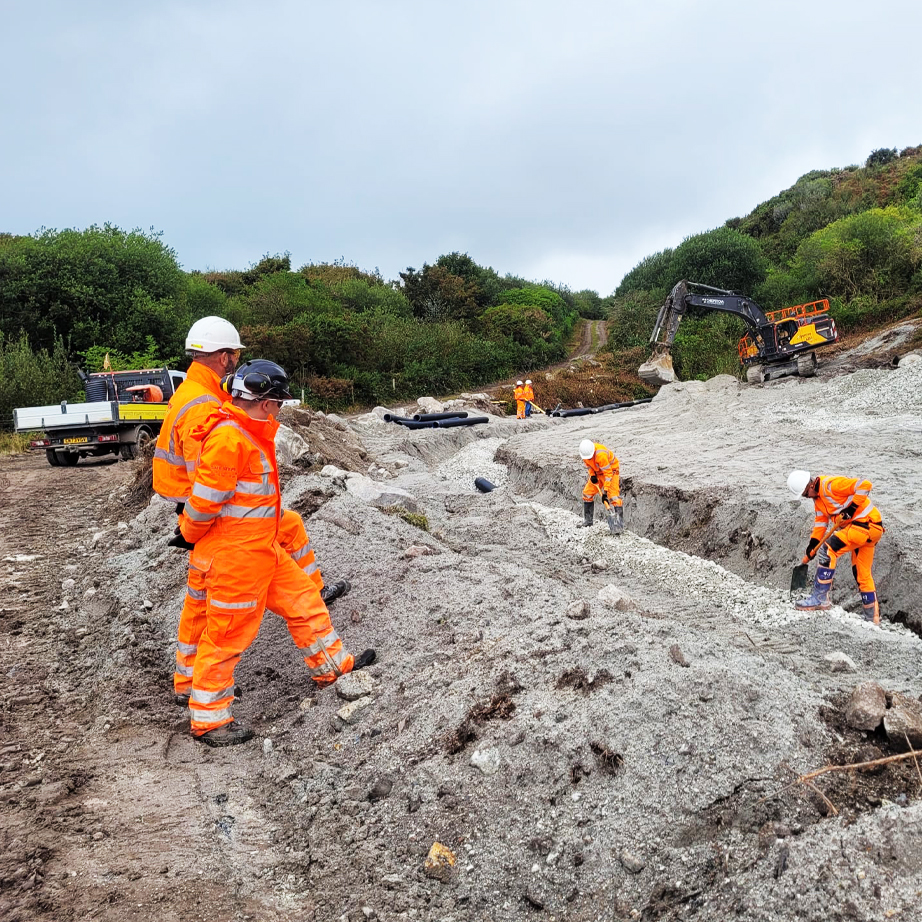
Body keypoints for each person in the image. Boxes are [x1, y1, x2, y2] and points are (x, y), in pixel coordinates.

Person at [153, 317, 350, 706]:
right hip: (223, 531)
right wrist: (195, 531)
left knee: (296, 572)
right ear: (225, 357)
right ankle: (202, 701)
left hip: (238, 531)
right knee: (221, 623)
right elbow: (209, 483)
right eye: (236, 355)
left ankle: (333, 664)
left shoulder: (202, 395)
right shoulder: (208, 411)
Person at [178, 359, 375, 747]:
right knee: (226, 637)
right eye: (279, 402)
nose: (281, 409)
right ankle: (209, 720)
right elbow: (202, 506)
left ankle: (334, 669)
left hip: (261, 548)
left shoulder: (249, 432)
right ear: (266, 403)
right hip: (237, 558)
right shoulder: (228, 439)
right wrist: (189, 534)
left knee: (305, 601)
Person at [787, 470, 884, 623]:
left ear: (810, 485)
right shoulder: (818, 500)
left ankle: (820, 599)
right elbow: (820, 523)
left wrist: (851, 508)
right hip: (867, 530)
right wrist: (812, 544)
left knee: (828, 550)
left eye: (805, 494)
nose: (806, 497)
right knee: (862, 574)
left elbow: (865, 485)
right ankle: (872, 619)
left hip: (864, 525)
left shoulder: (831, 485)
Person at [577, 439, 623, 532]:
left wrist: (605, 492)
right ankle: (588, 521)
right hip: (597, 473)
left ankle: (618, 526)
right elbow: (589, 465)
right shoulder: (585, 454)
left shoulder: (600, 455)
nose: (588, 459)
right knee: (587, 494)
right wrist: (593, 475)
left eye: (590, 457)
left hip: (611, 472)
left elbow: (608, 474)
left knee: (614, 497)